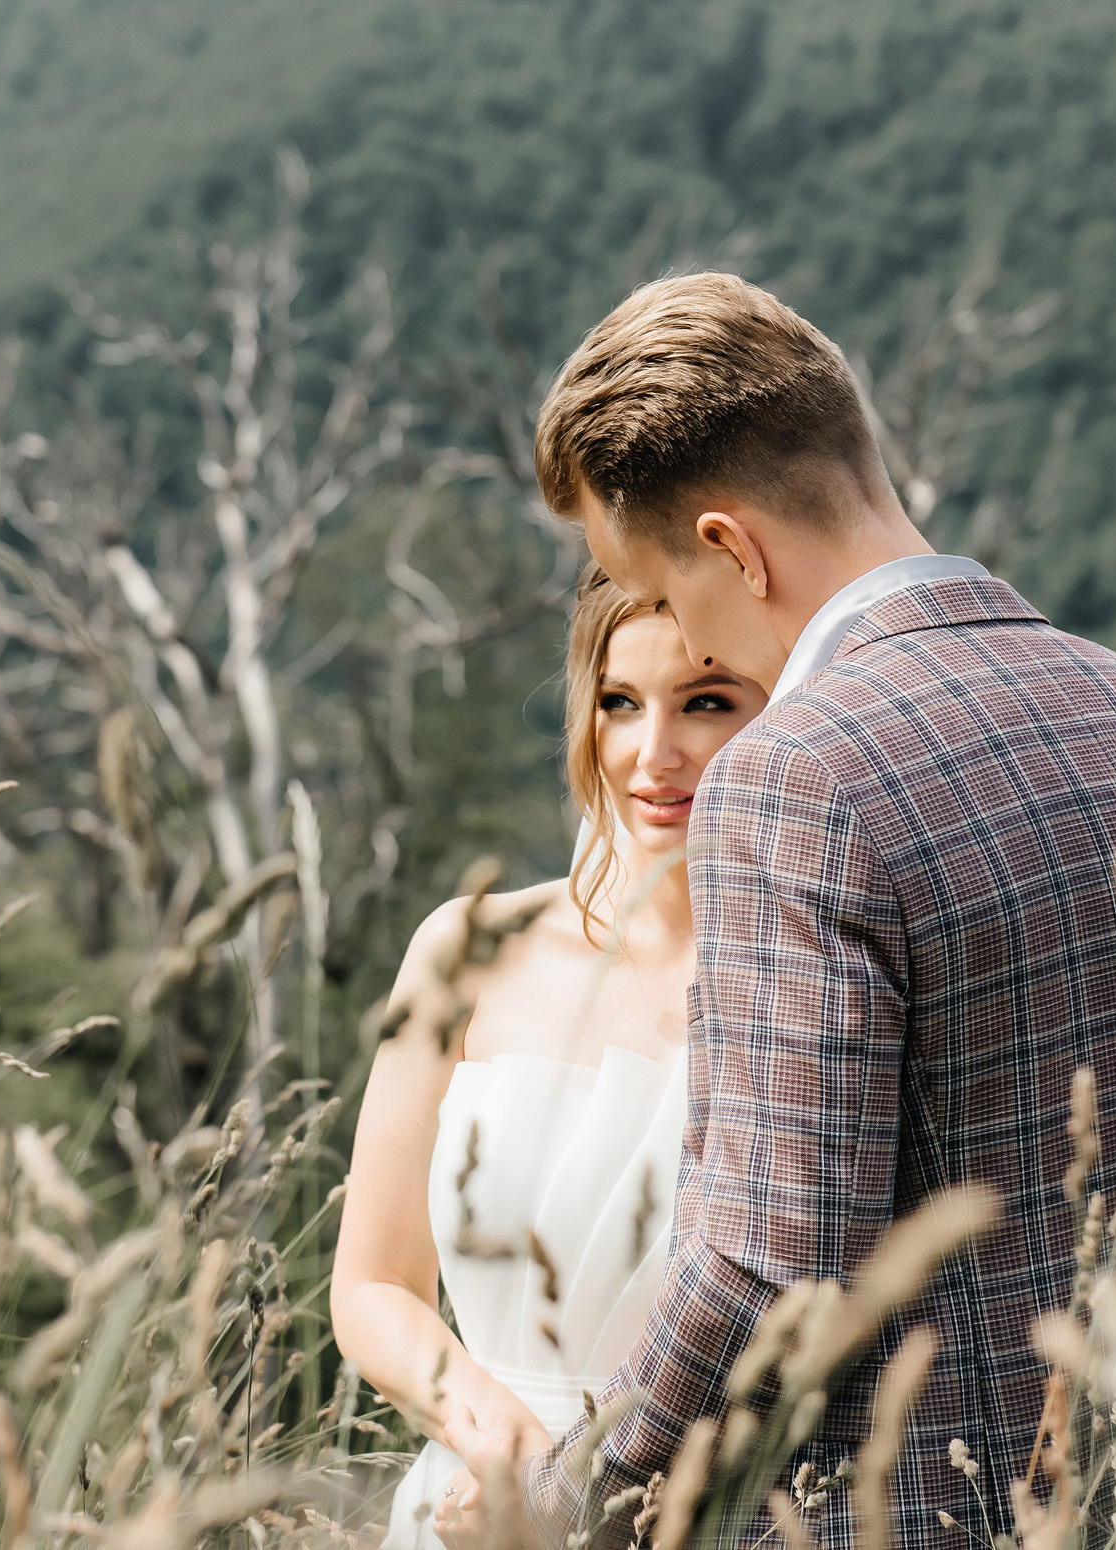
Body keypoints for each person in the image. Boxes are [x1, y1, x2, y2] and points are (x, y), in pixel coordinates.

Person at [434, 272, 1116, 1548]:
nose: (675, 633)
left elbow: (771, 1269)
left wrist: (560, 1509)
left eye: (660, 594)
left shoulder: (796, 781)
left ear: (731, 547)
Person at [330, 561, 768, 1549]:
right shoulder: (466, 946)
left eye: (707, 701)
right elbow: (372, 1283)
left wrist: (584, 1491)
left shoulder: (803, 984)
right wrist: (499, 1446)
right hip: (467, 1503)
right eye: (619, 702)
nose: (655, 753)